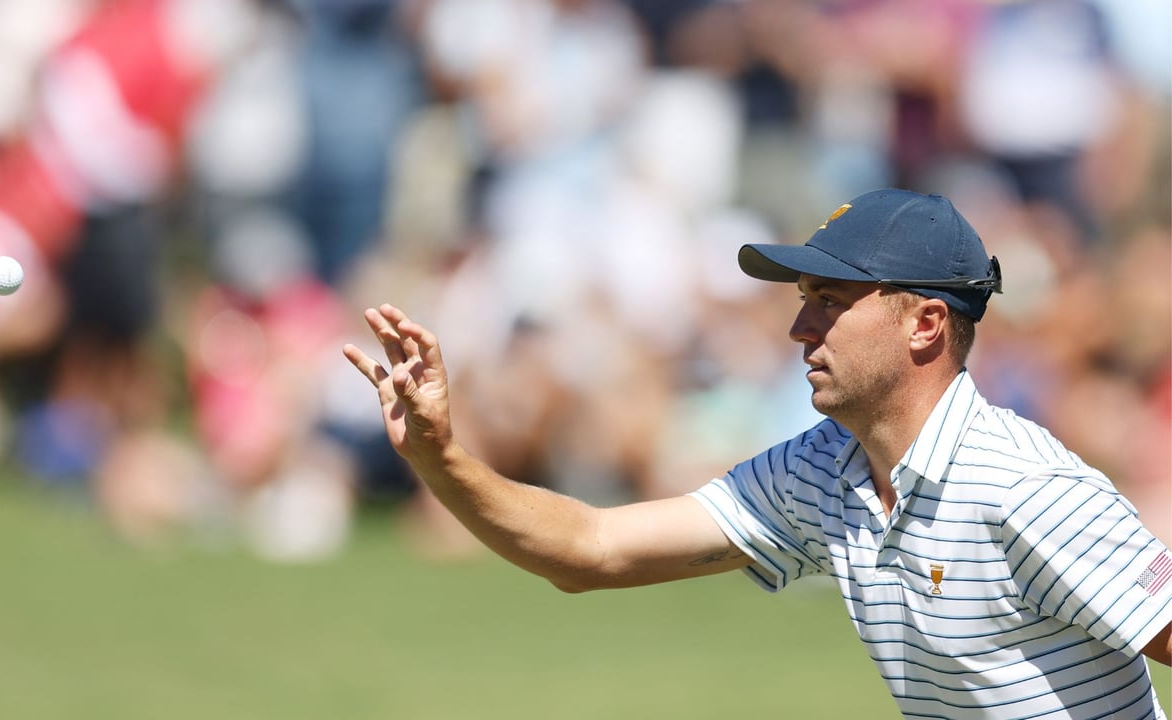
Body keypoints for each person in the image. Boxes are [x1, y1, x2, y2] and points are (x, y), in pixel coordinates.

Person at [343, 188, 1172, 718]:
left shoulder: (1025, 486)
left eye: (832, 302)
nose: (799, 328)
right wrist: (440, 456)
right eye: (804, 300)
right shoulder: (822, 468)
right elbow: (587, 551)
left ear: (924, 325)